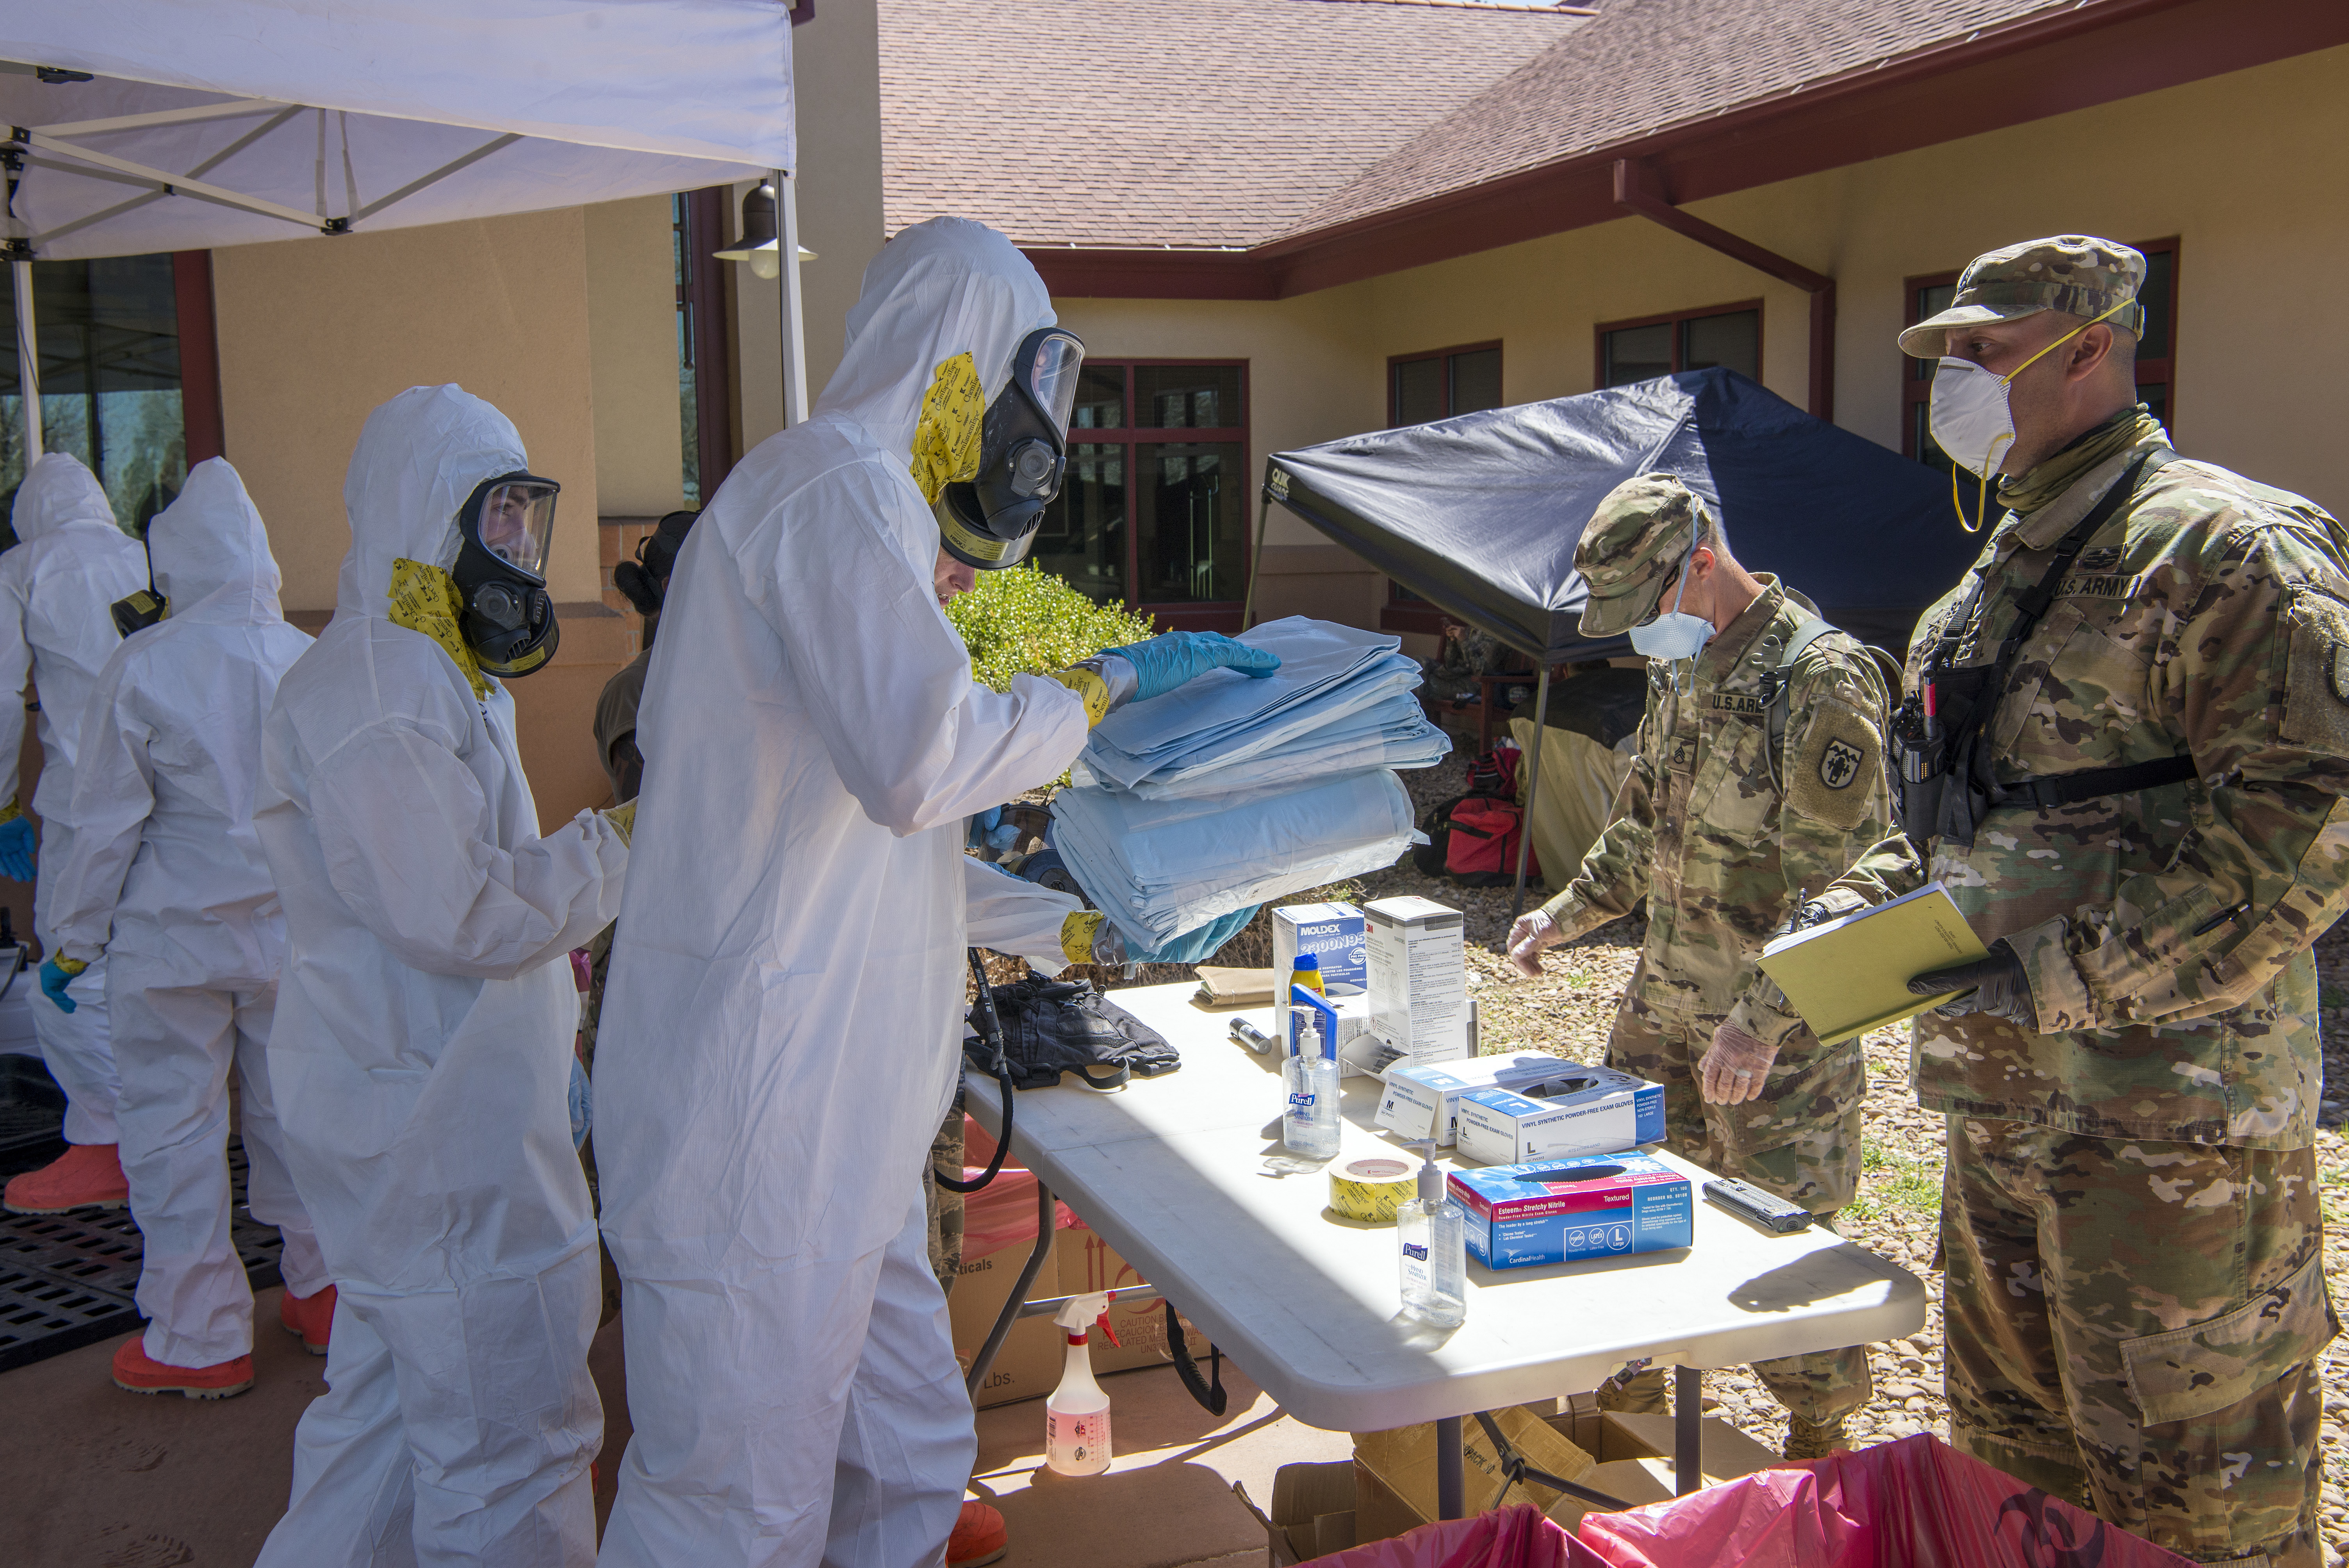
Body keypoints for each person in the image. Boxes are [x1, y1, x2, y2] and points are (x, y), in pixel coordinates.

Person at [592, 216, 1274, 1567]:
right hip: (759, 1125)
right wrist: (1092, 690)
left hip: (837, 1126)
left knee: (904, 1448)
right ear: (962, 372)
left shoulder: (860, 513)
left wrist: (1071, 921)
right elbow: (925, 762)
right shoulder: (829, 489)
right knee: (733, 1506)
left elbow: (891, 856)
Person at [1729, 237, 2342, 1566]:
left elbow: (2308, 819)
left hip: (2166, 1145)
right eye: (1947, 349)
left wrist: (2061, 970)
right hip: (1999, 1127)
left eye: (1983, 348)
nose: (1953, 375)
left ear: (2092, 344)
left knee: (2196, 1512)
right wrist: (1829, 944)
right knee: (2018, 1496)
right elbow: (1946, 832)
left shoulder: (2219, 545)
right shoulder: (1981, 587)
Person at [250, 385, 631, 1567]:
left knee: (383, 1428)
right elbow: (458, 910)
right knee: (509, 1450)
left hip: (416, 1113)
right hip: (439, 1133)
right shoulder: (378, 686)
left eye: (527, 522)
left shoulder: (421, 668)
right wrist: (625, 845)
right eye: (497, 522)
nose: (517, 551)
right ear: (429, 515)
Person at [1506, 473, 1893, 1459]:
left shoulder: (1820, 681)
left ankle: (1821, 1448)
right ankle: (1628, 1415)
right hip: (1663, 1006)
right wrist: (1565, 913)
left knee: (1778, 1249)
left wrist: (1759, 1021)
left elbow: (1854, 888)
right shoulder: (1679, 666)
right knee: (1627, 1205)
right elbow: (1644, 827)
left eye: (1647, 609)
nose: (1640, 634)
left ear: (1703, 565)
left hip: (1773, 1032)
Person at [38, 458, 332, 1398]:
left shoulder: (145, 662)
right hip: (290, 936)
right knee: (300, 1115)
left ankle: (199, 1336)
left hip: (171, 942)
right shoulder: (306, 658)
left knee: (174, 1128)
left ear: (173, 561)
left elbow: (102, 822)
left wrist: (69, 939)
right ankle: (322, 1290)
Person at [0, 453, 151, 1214]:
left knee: (71, 975)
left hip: (85, 807)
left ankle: (104, 1143)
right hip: (171, 806)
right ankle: (165, 1133)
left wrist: (1, 807)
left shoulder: (25, 567)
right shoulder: (150, 557)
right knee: (163, 971)